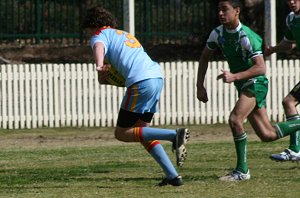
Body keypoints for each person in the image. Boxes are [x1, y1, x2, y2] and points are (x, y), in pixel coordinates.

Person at [82, 5, 190, 186]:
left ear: (93, 26)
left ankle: (174, 135)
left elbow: (98, 46)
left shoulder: (99, 35)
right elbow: (115, 73)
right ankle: (172, 176)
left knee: (122, 133)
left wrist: (99, 64)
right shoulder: (123, 35)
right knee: (142, 132)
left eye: (87, 32)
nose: (88, 36)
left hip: (140, 81)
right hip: (156, 77)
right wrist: (103, 75)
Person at [196, 0, 300, 181]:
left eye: (225, 9)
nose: (220, 13)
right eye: (219, 9)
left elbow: (261, 68)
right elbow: (204, 57)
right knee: (267, 135)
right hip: (244, 83)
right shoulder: (217, 34)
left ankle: (242, 171)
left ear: (237, 11)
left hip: (255, 83)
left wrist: (234, 76)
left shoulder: (246, 36)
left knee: (235, 119)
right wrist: (200, 86)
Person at [265, 0, 300, 162]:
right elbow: (289, 43)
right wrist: (272, 50)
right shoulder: (291, 19)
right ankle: (295, 150)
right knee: (289, 102)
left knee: (289, 101)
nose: (291, 2)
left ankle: (295, 150)